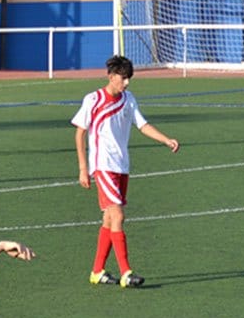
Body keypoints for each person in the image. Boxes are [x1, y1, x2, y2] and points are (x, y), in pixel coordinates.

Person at [73, 55, 179, 288]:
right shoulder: (93, 99)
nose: (127, 83)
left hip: (122, 166)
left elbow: (143, 125)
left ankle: (97, 271)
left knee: (110, 218)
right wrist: (83, 168)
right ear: (111, 76)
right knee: (118, 216)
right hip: (103, 166)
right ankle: (126, 272)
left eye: (129, 78)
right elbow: (79, 133)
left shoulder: (128, 99)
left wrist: (165, 140)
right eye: (123, 78)